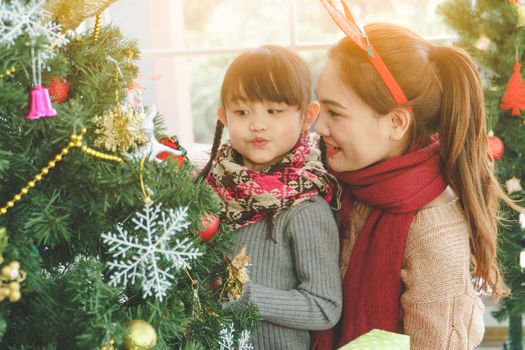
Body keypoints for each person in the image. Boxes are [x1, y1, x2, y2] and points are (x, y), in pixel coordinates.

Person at [310, 12, 519, 350]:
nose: (319, 127)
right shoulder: (343, 180)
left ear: (395, 122)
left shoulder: (432, 231)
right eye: (320, 108)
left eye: (335, 113)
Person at [198, 45, 343, 350]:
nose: (257, 124)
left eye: (274, 111)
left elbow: (324, 307)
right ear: (224, 116)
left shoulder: (305, 207)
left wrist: (243, 295)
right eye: (242, 111)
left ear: (307, 116)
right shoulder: (209, 187)